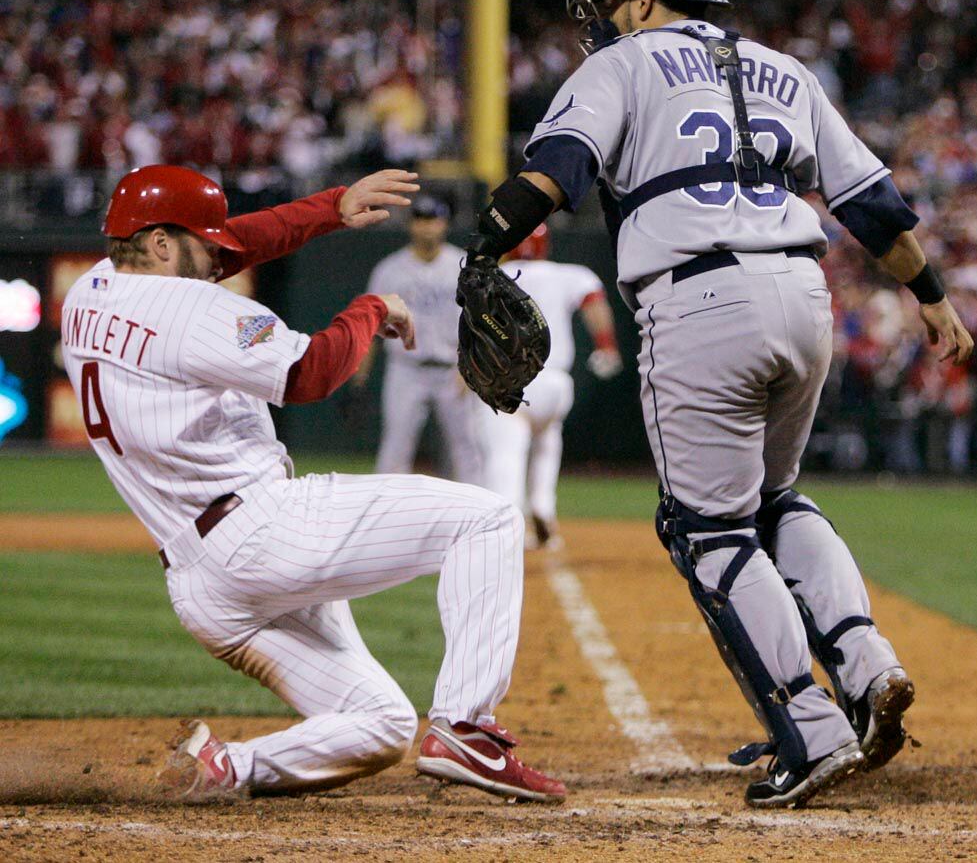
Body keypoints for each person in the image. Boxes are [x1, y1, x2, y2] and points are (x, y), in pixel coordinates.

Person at [456, 0, 973, 808]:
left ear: (647, 1)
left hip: (700, 301)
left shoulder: (621, 66)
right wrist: (930, 292)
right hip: (804, 297)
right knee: (776, 500)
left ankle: (809, 732)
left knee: (707, 530)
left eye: (616, 5)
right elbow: (871, 203)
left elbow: (557, 172)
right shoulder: (784, 68)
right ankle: (867, 666)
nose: (608, 23)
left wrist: (483, 250)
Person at [60, 164, 565, 804]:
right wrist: (371, 309)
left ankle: (227, 767)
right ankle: (469, 725)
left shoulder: (89, 292)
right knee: (488, 518)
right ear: (160, 243)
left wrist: (332, 206)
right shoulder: (191, 308)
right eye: (203, 238)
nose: (220, 250)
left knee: (380, 725)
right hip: (263, 533)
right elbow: (309, 373)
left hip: (203, 589)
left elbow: (238, 240)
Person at [478, 224, 622, 547]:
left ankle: (504, 527)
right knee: (547, 441)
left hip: (512, 379)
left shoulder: (493, 275)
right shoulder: (571, 274)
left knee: (506, 455)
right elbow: (594, 303)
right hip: (556, 382)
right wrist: (606, 345)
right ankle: (543, 507)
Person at [358, 194, 484, 483]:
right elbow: (371, 329)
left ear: (444, 224)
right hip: (406, 369)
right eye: (420, 220)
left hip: (454, 367)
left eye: (433, 220)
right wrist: (359, 380)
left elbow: (479, 322)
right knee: (395, 448)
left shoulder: (461, 265)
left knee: (467, 447)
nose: (427, 227)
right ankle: (386, 516)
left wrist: (472, 366)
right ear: (411, 225)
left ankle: (476, 516)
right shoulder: (389, 270)